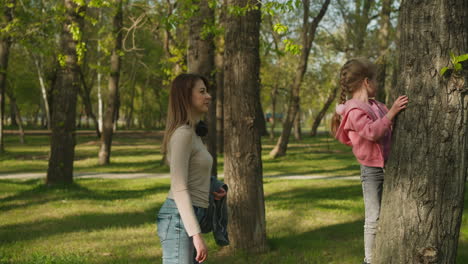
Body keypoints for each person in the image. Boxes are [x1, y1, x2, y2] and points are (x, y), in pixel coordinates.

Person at [331, 58, 408, 264]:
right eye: (375, 79)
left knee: (389, 212)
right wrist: (392, 113)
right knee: (373, 218)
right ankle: (370, 259)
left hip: (386, 166)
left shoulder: (376, 105)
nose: (378, 84)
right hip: (371, 171)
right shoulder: (355, 110)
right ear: (366, 82)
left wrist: (390, 112)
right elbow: (372, 132)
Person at [157, 73, 226, 264]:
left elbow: (192, 176)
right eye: (202, 92)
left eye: (208, 91)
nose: (208, 96)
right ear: (186, 96)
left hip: (191, 215)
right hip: (179, 219)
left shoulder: (194, 133)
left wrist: (211, 190)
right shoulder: (183, 134)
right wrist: (195, 235)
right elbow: (179, 187)